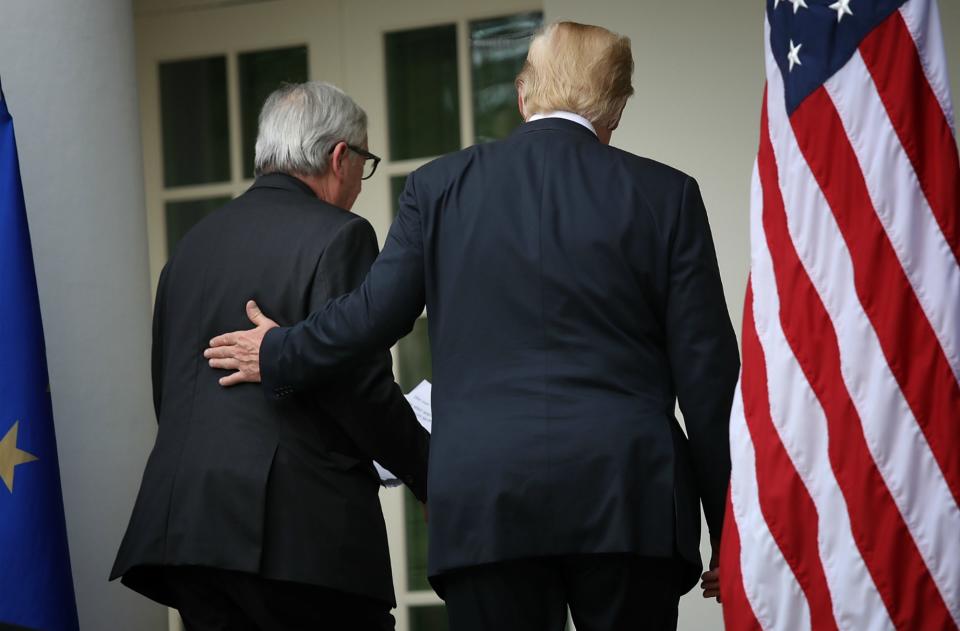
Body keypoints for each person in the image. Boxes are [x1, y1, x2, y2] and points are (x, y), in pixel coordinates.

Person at [206, 22, 739, 631]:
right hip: (629, 496)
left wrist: (279, 350)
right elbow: (707, 377)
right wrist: (731, 530)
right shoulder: (667, 195)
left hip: (487, 501)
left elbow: (370, 317)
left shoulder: (439, 187)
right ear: (614, 108)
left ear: (522, 95)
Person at [111, 81, 429, 631]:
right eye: (364, 164)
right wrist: (434, 475)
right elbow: (362, 391)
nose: (359, 184)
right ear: (339, 157)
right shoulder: (342, 236)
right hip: (300, 541)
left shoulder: (191, 247)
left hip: (187, 532)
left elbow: (170, 388)